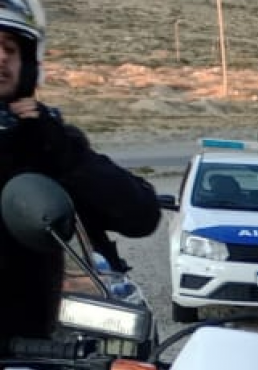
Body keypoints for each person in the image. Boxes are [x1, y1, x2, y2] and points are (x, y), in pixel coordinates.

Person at [0, 0, 159, 344]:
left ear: (28, 64)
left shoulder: (46, 142)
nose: (1, 58)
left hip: (30, 355)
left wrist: (60, 151)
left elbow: (140, 216)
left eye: (10, 49)